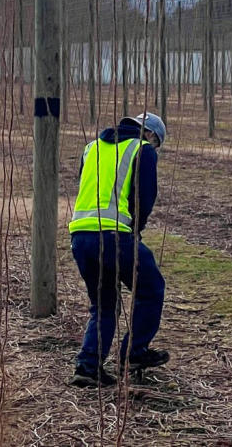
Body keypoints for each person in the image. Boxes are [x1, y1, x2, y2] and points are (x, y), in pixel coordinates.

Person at [68, 112, 169, 388]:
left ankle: (88, 366)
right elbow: (144, 198)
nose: (154, 147)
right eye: (157, 143)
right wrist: (135, 230)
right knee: (151, 289)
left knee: (103, 304)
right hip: (114, 236)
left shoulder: (92, 148)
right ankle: (133, 353)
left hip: (80, 236)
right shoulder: (142, 149)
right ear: (150, 134)